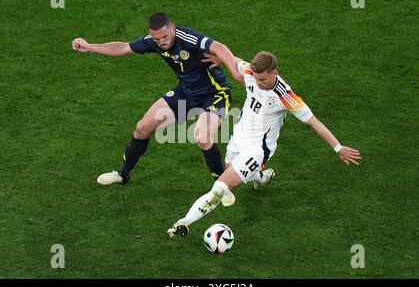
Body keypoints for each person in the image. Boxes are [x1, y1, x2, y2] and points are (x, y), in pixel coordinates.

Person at [167, 51, 361, 238]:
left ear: (275, 73)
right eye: (257, 79)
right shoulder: (251, 73)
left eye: (263, 80)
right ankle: (262, 178)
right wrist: (220, 57)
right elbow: (237, 61)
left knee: (220, 188)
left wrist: (338, 148)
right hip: (238, 139)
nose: (258, 83)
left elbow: (314, 122)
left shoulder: (286, 96)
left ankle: (183, 223)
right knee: (231, 170)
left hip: (256, 150)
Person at [72, 13, 243, 185]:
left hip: (215, 95)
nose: (161, 42)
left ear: (173, 28)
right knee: (142, 128)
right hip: (185, 93)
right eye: (156, 39)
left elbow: (219, 47)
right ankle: (123, 174)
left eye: (164, 37)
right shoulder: (153, 42)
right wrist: (90, 47)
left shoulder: (188, 37)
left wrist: (235, 73)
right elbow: (124, 47)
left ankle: (223, 185)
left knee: (203, 137)